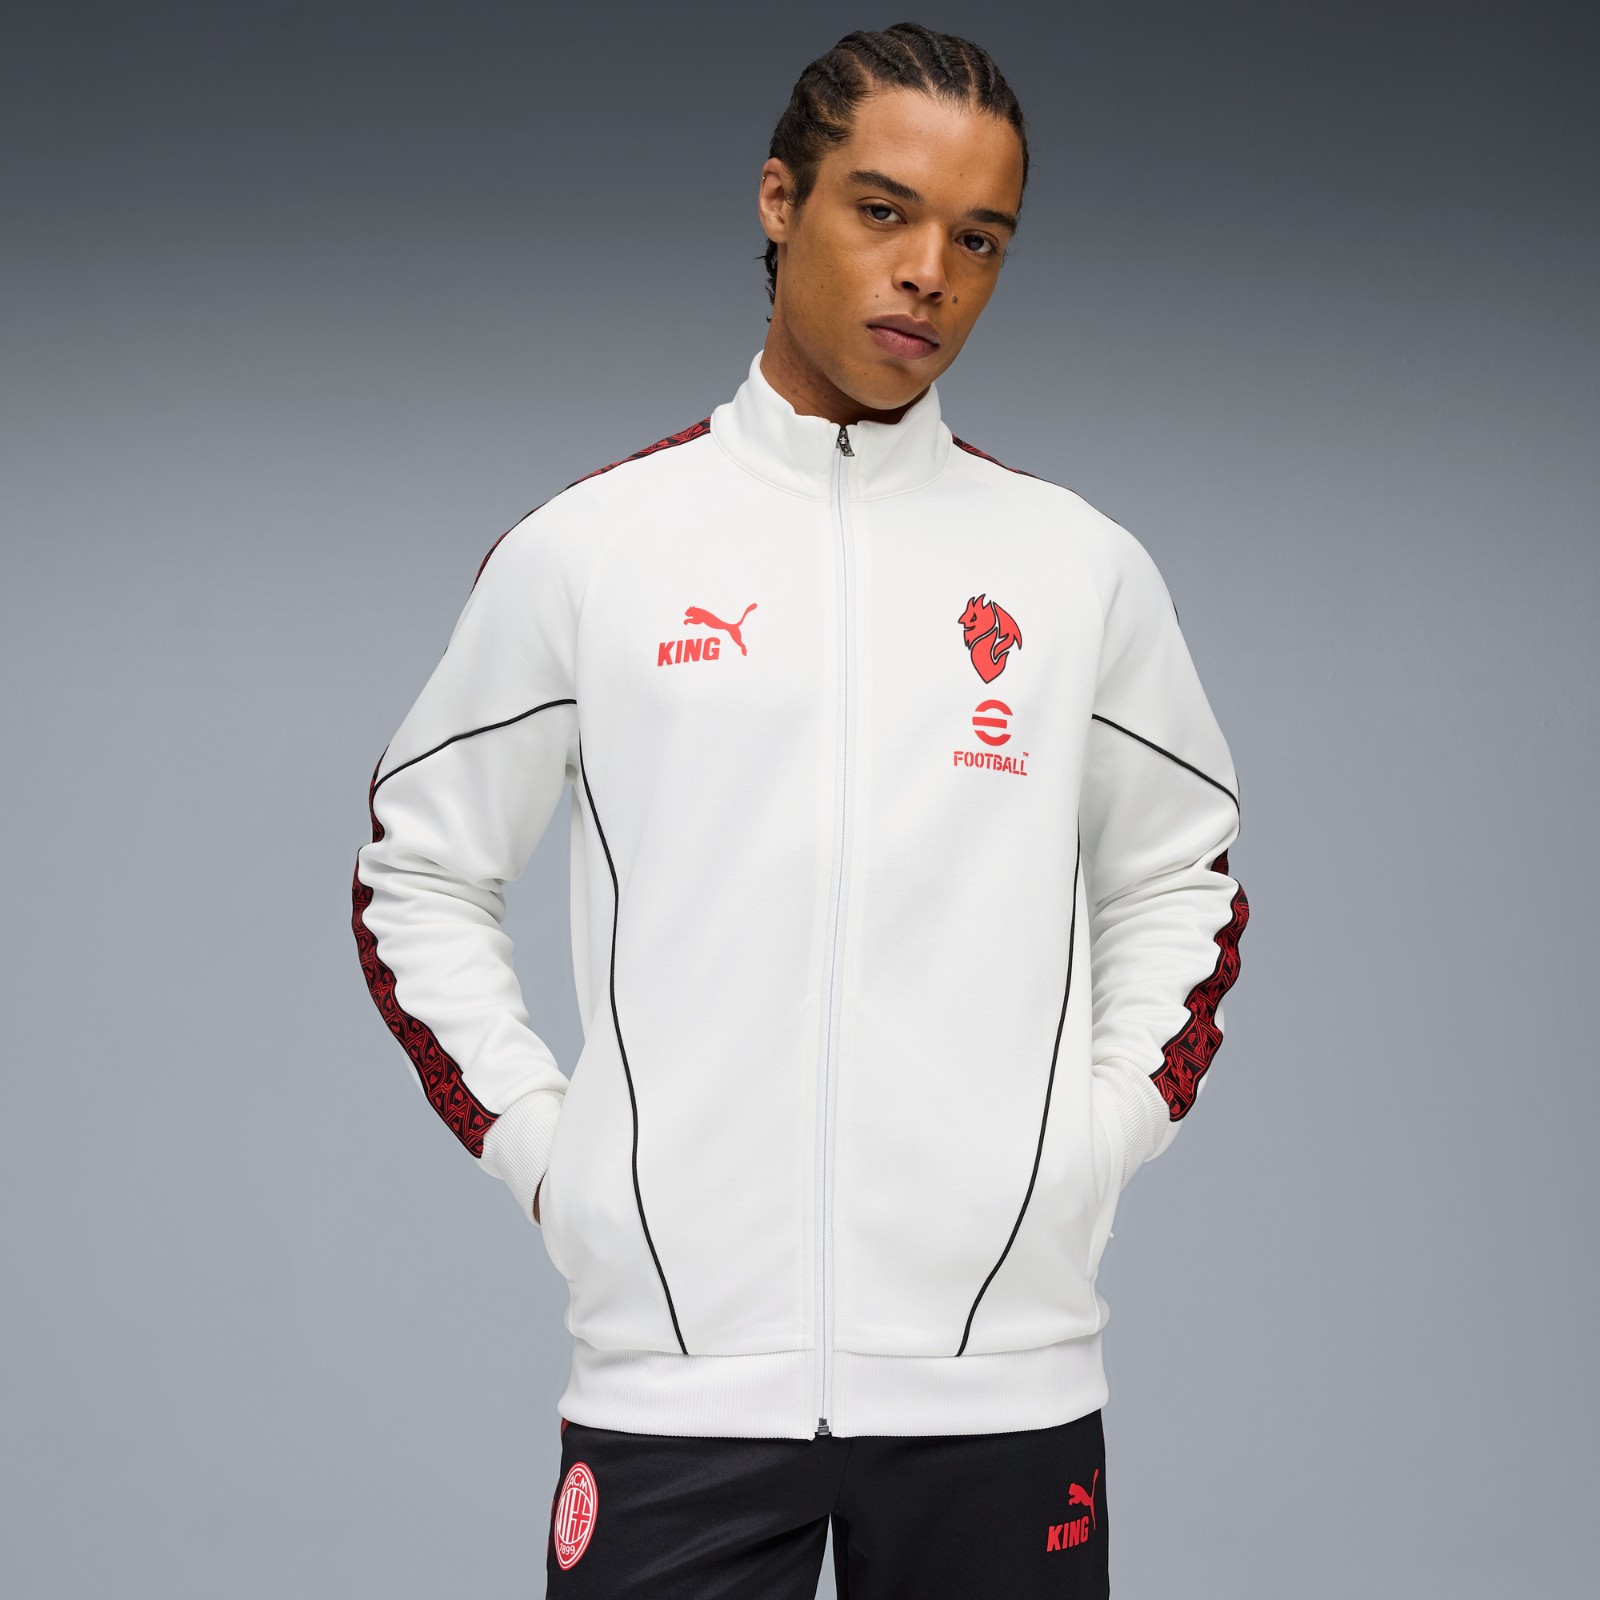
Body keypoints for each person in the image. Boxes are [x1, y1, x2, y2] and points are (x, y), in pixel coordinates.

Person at [351, 21, 1249, 1598]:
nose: (930, 275)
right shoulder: (597, 551)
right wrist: (561, 1163)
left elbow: (1187, 876)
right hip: (675, 1386)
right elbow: (414, 874)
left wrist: (1090, 1147)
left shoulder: (1076, 569)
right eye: (883, 211)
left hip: (1001, 1387)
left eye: (980, 239)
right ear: (781, 199)